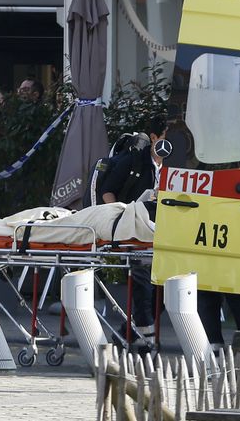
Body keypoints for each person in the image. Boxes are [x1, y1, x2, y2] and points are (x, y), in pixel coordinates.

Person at [101, 116, 168, 347]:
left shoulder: (177, 166)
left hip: (163, 233)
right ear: (154, 138)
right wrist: (117, 219)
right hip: (134, 230)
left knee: (167, 287)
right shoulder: (134, 161)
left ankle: (126, 333)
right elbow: (107, 190)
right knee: (142, 280)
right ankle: (146, 337)